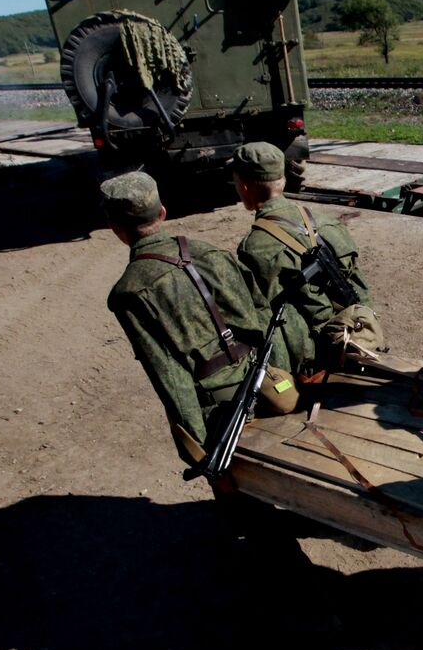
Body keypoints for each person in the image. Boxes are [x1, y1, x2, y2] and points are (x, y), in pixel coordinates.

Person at [102, 170, 294, 467]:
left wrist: (200, 445)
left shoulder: (130, 293)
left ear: (114, 227)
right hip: (267, 382)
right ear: (163, 212)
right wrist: (284, 381)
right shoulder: (212, 253)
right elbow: (266, 317)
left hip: (221, 412)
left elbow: (169, 374)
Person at [231, 141, 385, 374]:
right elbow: (359, 286)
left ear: (243, 186)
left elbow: (267, 318)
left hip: (316, 358)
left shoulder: (253, 247)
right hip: (360, 335)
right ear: (282, 180)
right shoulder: (325, 221)